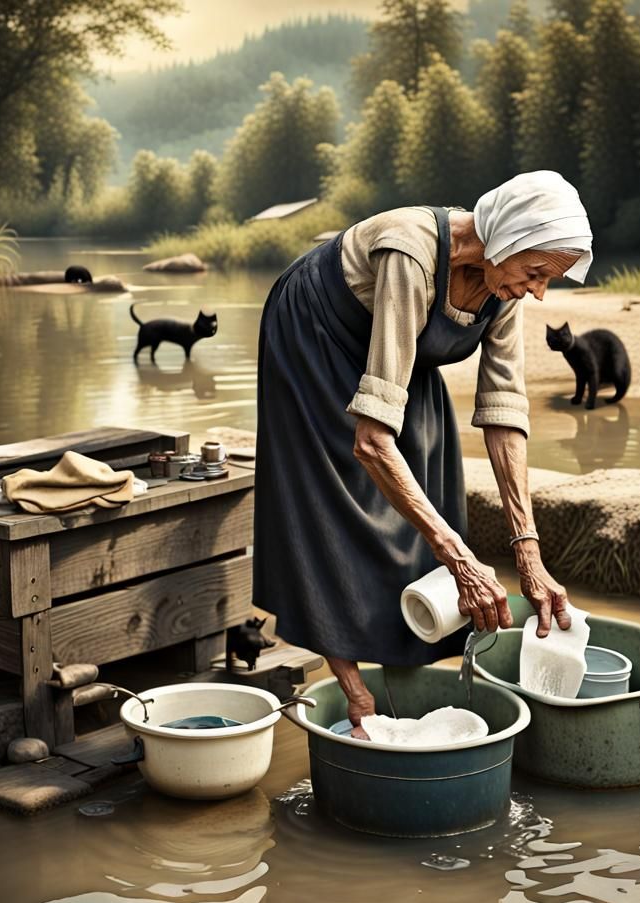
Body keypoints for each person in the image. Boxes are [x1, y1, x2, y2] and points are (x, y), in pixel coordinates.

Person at [253, 170, 594, 734]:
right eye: (536, 273)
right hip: (314, 331)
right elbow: (369, 441)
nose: (538, 292)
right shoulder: (410, 253)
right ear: (505, 240)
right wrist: (460, 560)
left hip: (393, 343)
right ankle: (356, 694)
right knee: (332, 493)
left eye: (548, 280)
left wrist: (528, 554)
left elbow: (505, 412)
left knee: (428, 473)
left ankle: (402, 671)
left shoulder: (502, 285)